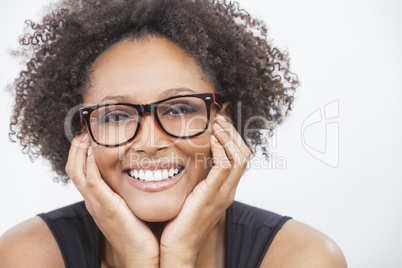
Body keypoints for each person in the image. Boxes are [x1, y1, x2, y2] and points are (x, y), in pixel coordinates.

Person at [0, 0, 347, 267]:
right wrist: (140, 258)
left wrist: (178, 255)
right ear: (82, 133)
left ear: (221, 123)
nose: (150, 143)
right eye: (117, 116)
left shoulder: (303, 257)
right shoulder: (28, 255)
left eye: (180, 110)